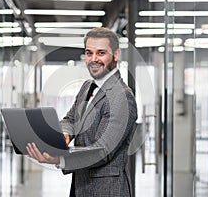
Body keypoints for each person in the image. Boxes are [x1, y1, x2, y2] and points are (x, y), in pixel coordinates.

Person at [26, 27, 137, 197]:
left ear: (116, 54)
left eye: (101, 53)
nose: (93, 59)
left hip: (107, 190)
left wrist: (60, 159)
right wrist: (65, 134)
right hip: (82, 185)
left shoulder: (122, 97)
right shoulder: (87, 87)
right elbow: (71, 119)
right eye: (89, 53)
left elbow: (103, 150)